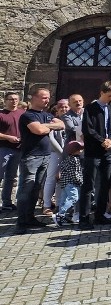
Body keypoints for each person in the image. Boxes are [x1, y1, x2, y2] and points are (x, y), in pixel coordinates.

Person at [15, 87, 66, 234]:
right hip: (31, 156)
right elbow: (38, 131)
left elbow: (61, 125)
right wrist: (48, 127)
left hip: (45, 156)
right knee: (26, 189)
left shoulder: (46, 115)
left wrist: (46, 126)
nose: (48, 100)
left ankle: (30, 217)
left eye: (48, 97)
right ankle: (21, 221)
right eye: (44, 97)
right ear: (34, 98)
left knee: (36, 188)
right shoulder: (27, 115)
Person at [80, 81, 111, 229]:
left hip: (107, 152)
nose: (110, 98)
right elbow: (88, 129)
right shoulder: (90, 108)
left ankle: (100, 215)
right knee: (88, 185)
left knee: (105, 184)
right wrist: (102, 140)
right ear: (102, 92)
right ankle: (84, 218)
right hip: (93, 152)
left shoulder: (108, 108)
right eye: (109, 95)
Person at [42, 100, 68, 215]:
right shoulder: (53, 121)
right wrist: (62, 152)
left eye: (66, 107)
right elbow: (51, 138)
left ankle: (58, 204)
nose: (64, 109)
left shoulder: (72, 120)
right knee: (51, 178)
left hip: (69, 154)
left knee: (62, 180)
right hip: (55, 153)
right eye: (61, 107)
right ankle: (46, 205)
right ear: (57, 109)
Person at [0, 91, 23, 213]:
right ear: (5, 100)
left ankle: (7, 203)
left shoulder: (22, 113)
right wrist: (8, 137)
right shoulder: (1, 114)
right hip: (3, 149)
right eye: (11, 99)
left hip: (18, 149)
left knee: (11, 178)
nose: (13, 101)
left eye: (15, 99)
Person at [54, 140, 84, 227]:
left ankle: (61, 217)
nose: (81, 151)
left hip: (64, 182)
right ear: (75, 151)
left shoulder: (67, 159)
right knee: (74, 198)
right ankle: (60, 214)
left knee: (63, 199)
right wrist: (80, 181)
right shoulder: (74, 160)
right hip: (71, 183)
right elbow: (74, 173)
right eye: (80, 149)